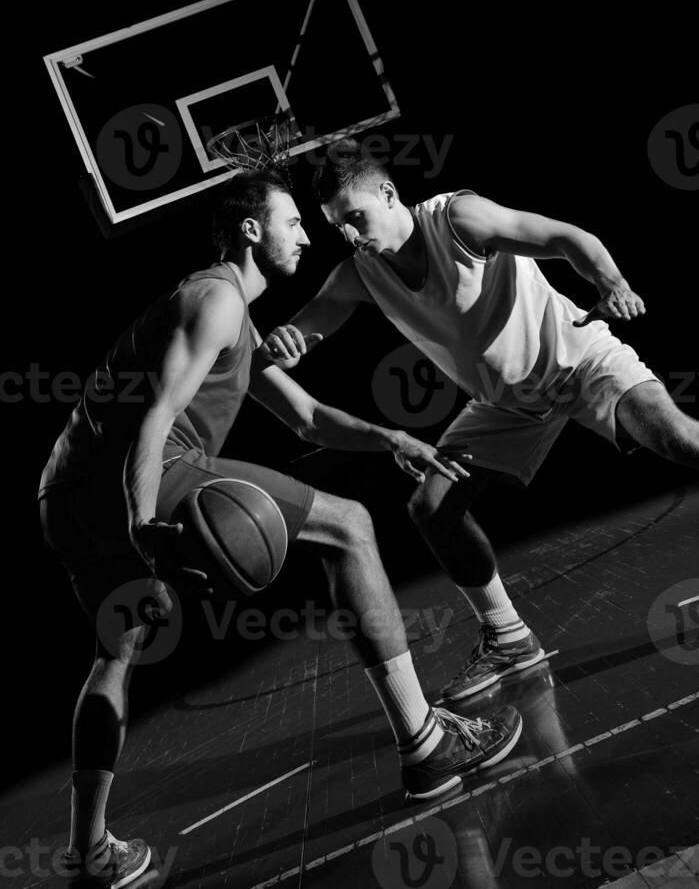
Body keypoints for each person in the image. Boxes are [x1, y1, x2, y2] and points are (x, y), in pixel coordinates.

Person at [38, 170, 523, 888]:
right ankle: (425, 744)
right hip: (143, 473)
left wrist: (394, 439)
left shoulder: (233, 312)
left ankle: (88, 852)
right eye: (293, 221)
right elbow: (157, 419)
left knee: (119, 651)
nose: (306, 235)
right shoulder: (216, 299)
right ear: (251, 231)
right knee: (351, 526)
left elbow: (306, 418)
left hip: (65, 495)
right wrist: (146, 524)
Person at [261, 139, 699, 706]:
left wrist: (611, 283)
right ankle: (509, 638)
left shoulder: (459, 218)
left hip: (577, 359)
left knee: (680, 436)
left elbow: (566, 239)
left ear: (388, 194)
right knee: (432, 507)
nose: (352, 235)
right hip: (504, 404)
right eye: (339, 227)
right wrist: (275, 343)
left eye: (356, 218)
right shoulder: (358, 273)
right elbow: (303, 332)